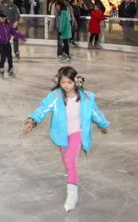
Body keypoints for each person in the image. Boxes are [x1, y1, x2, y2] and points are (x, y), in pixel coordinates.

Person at [22, 66, 110, 212]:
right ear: (59, 82)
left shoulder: (86, 98)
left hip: (77, 133)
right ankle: (72, 177)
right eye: (63, 82)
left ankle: (72, 194)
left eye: (69, 82)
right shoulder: (56, 97)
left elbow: (95, 113)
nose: (66, 86)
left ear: (76, 81)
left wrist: (103, 124)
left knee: (70, 160)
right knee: (66, 160)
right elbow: (42, 109)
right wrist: (32, 120)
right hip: (62, 134)